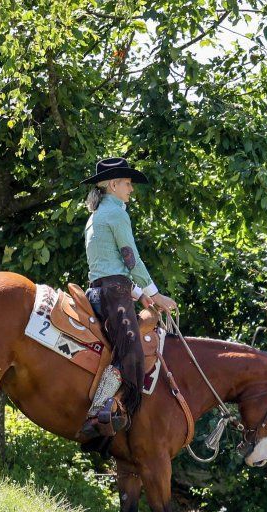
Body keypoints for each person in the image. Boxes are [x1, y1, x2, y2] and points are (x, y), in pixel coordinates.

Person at [84, 157, 177, 425]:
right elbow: (129, 257)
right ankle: (100, 411)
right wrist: (155, 294)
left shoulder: (96, 215)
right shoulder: (116, 213)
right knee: (132, 352)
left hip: (102, 291)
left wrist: (139, 294)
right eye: (127, 183)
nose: (131, 189)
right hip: (114, 295)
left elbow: (107, 266)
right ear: (113, 184)